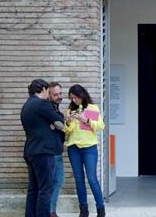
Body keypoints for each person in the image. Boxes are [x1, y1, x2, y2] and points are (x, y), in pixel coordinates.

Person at [21, 79, 65, 217]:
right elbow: (59, 121)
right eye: (48, 92)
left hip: (30, 151)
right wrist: (55, 123)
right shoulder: (42, 103)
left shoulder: (27, 105)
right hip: (44, 152)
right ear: (44, 90)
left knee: (33, 189)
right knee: (46, 189)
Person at [64, 84, 106, 217]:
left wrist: (86, 120)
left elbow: (100, 126)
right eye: (71, 98)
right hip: (74, 148)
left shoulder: (91, 108)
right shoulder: (70, 109)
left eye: (75, 98)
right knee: (79, 179)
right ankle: (83, 210)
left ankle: (100, 209)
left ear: (82, 96)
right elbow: (67, 131)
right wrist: (69, 122)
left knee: (92, 178)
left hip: (89, 148)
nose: (73, 100)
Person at [49, 83, 65, 216]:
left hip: (58, 151)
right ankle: (50, 211)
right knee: (53, 182)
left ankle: (51, 210)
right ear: (48, 95)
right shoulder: (48, 109)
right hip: (51, 152)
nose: (59, 96)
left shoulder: (57, 109)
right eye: (56, 94)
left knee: (58, 181)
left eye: (60, 93)